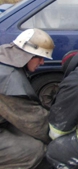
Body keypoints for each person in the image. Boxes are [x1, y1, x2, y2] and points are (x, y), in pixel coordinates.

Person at [0, 28, 55, 168]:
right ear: (27, 55)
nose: (42, 63)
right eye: (40, 57)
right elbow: (32, 121)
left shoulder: (4, 55)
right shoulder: (7, 79)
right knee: (33, 149)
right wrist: (63, 133)